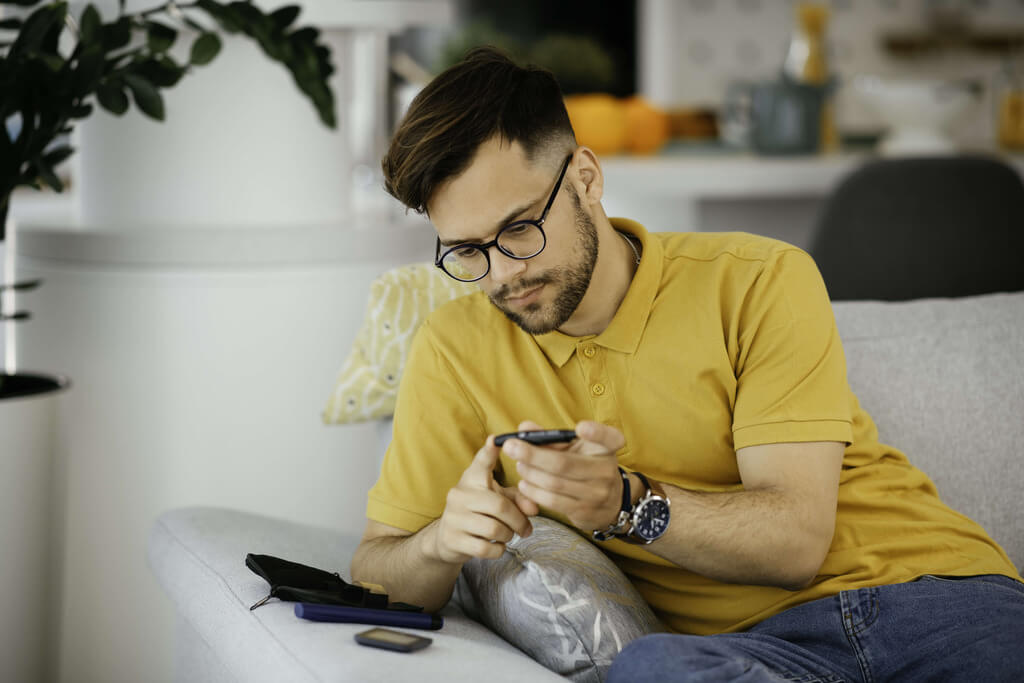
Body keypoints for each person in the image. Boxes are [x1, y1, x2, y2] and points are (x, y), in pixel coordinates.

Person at [350, 47, 1024, 681]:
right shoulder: (455, 347)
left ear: (585, 177)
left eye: (520, 229)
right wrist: (441, 542)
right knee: (650, 670)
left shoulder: (758, 278)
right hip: (753, 656)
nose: (502, 275)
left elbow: (795, 543)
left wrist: (623, 502)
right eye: (468, 252)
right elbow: (375, 568)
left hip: (935, 599)